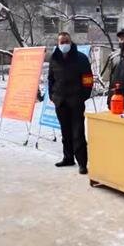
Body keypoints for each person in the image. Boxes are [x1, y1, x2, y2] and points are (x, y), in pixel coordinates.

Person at [47, 32, 94, 175]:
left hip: (76, 101)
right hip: (60, 102)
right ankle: (68, 158)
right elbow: (50, 79)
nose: (64, 44)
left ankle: (82, 163)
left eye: (66, 41)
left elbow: (88, 80)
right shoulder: (54, 58)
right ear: (58, 44)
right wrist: (52, 96)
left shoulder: (81, 58)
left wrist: (82, 97)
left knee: (78, 133)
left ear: (71, 42)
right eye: (61, 42)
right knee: (65, 132)